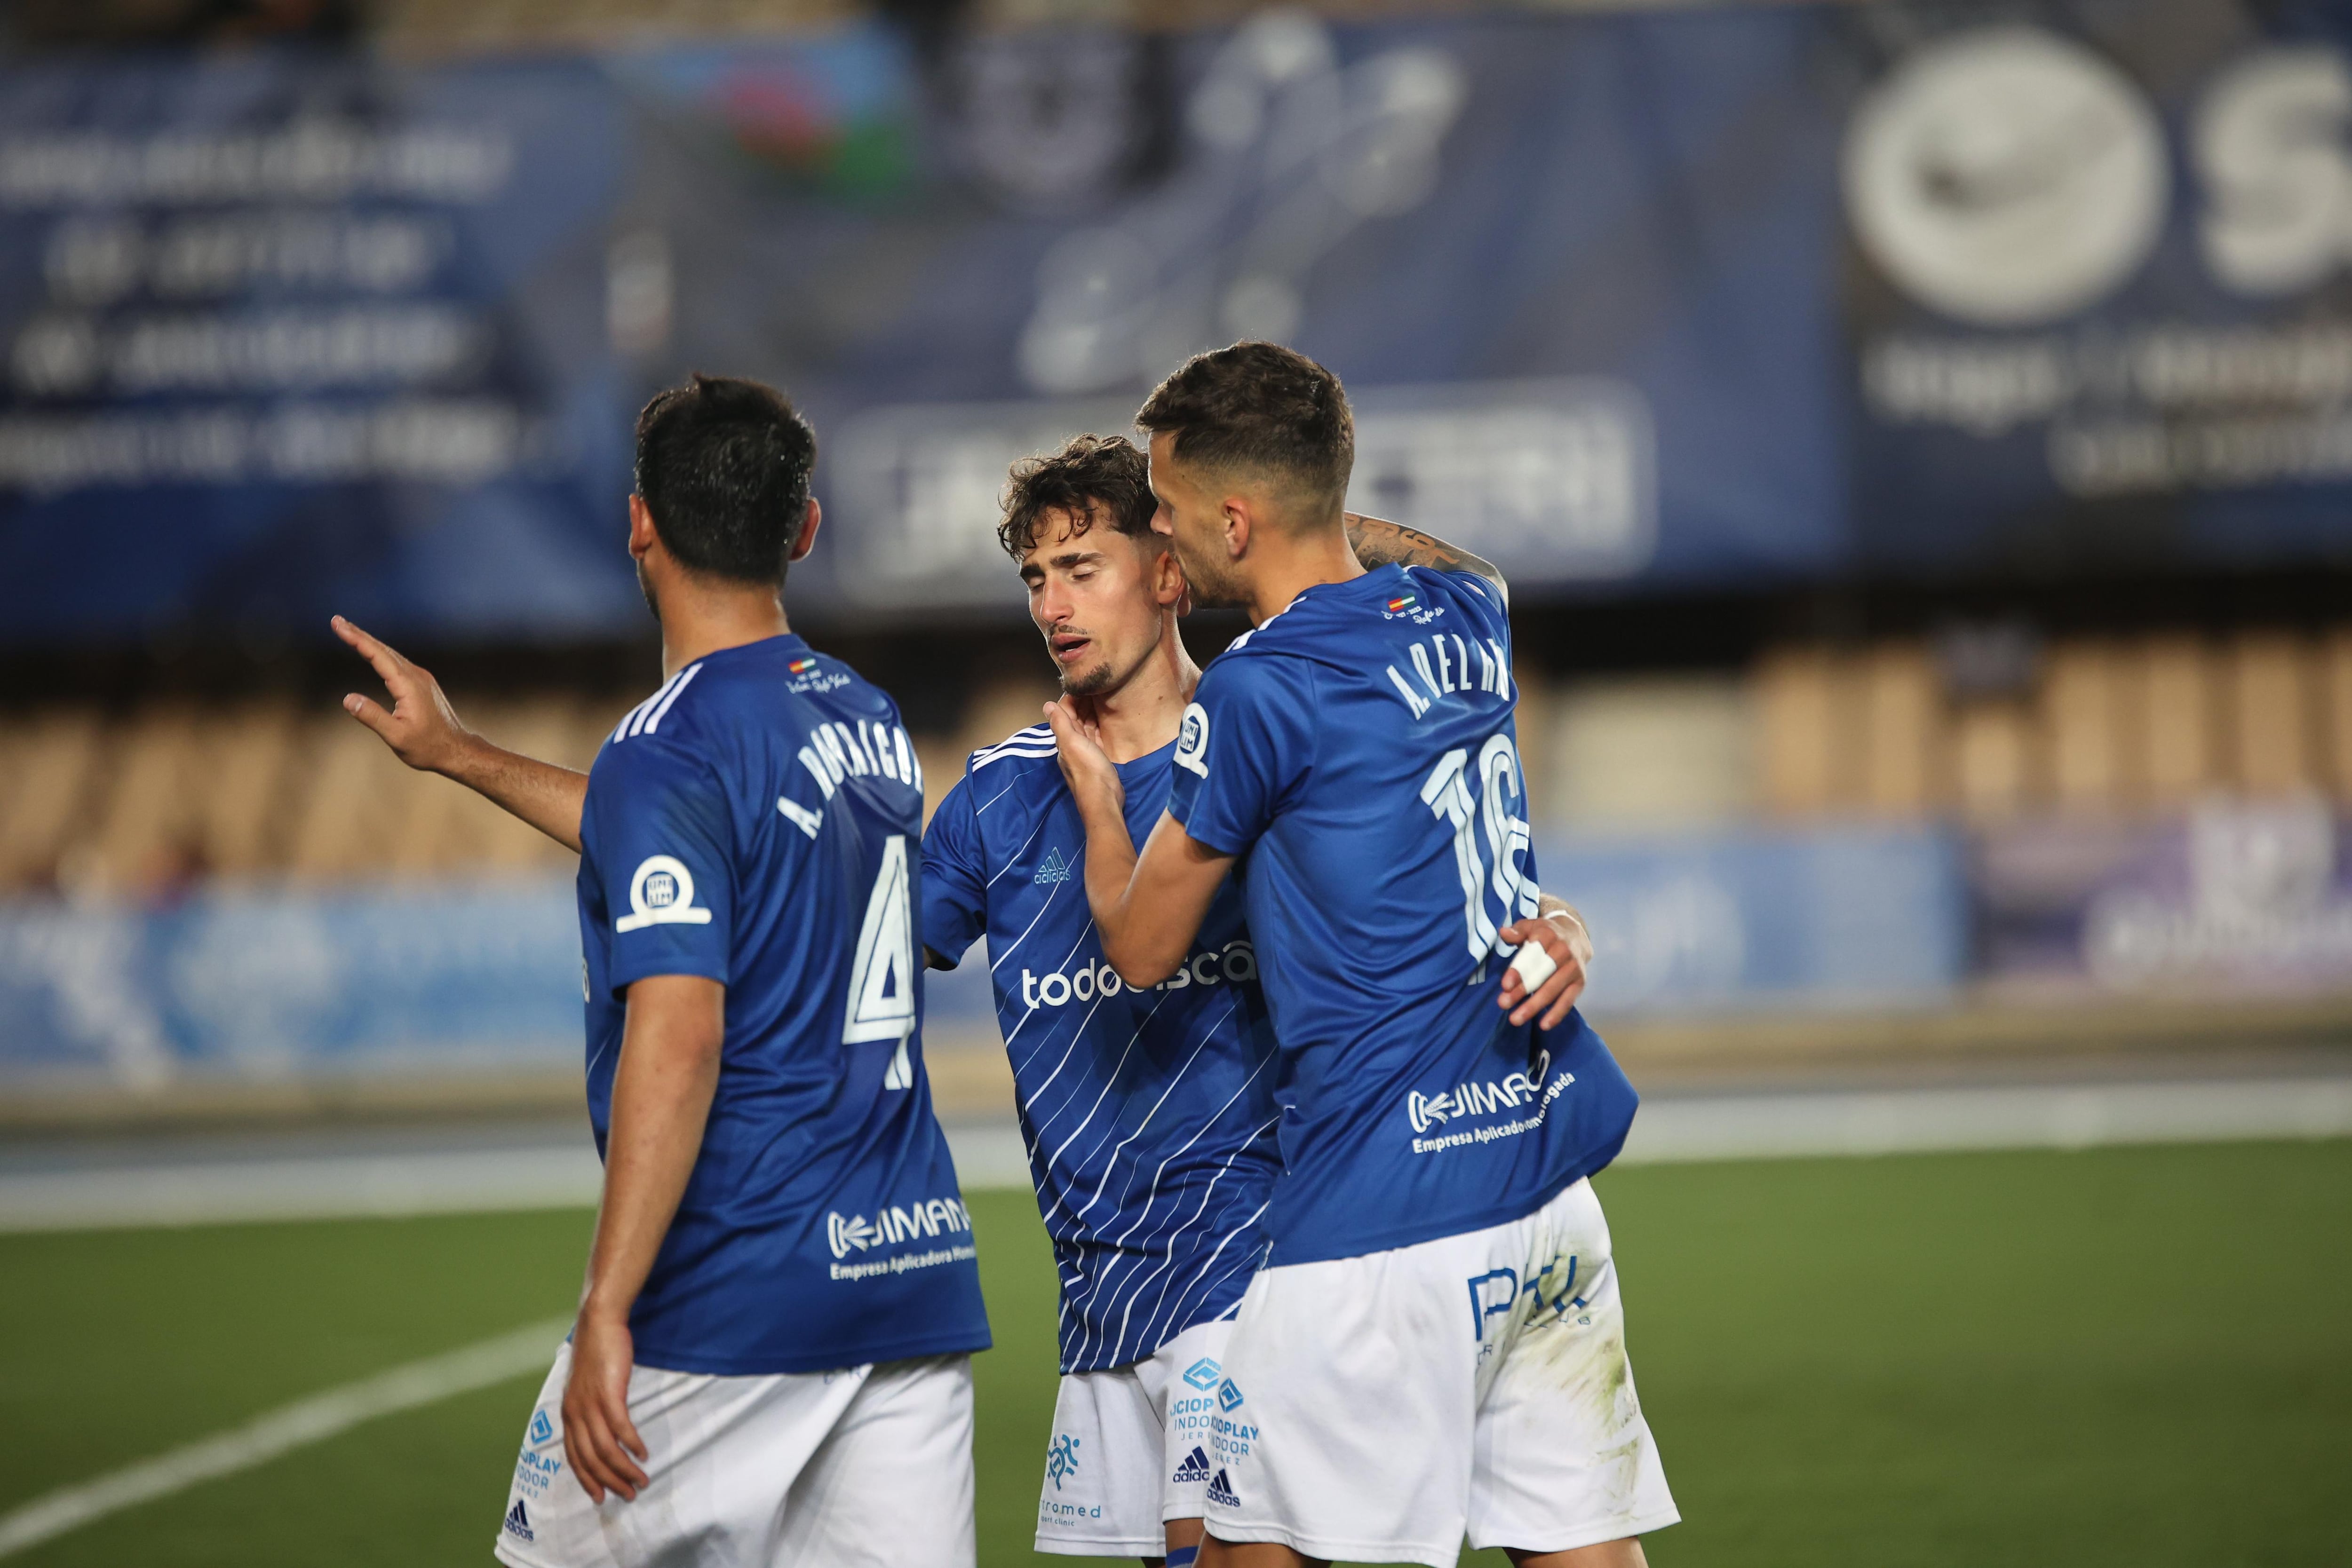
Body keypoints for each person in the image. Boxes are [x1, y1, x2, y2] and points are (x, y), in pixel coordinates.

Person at [333, 373, 990, 1568]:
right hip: (907, 1272)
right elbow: (699, 839)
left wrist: (608, 1302)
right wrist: (463, 754)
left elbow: (679, 1030)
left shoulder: (667, 743)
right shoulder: (865, 711)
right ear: (804, 529)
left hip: (736, 1282)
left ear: (640, 521)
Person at [1044, 341, 1675, 1568]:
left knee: (1242, 1549)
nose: (1162, 548)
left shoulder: (1259, 688)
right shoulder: (1463, 616)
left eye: (1172, 519)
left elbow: (1140, 942)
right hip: (1543, 1183)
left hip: (1386, 1211)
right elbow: (1464, 559)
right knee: (1582, 1550)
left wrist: (1100, 809)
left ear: (1237, 518)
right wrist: (1315, 513)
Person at [921, 434, 1595, 1568]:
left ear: (1170, 564)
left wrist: (1561, 921)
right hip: (1101, 1286)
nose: (1053, 602)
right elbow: (841, 945)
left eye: (1085, 566)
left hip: (1253, 1260)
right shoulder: (994, 795)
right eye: (1036, 576)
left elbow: (1431, 876)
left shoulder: (1261, 735)